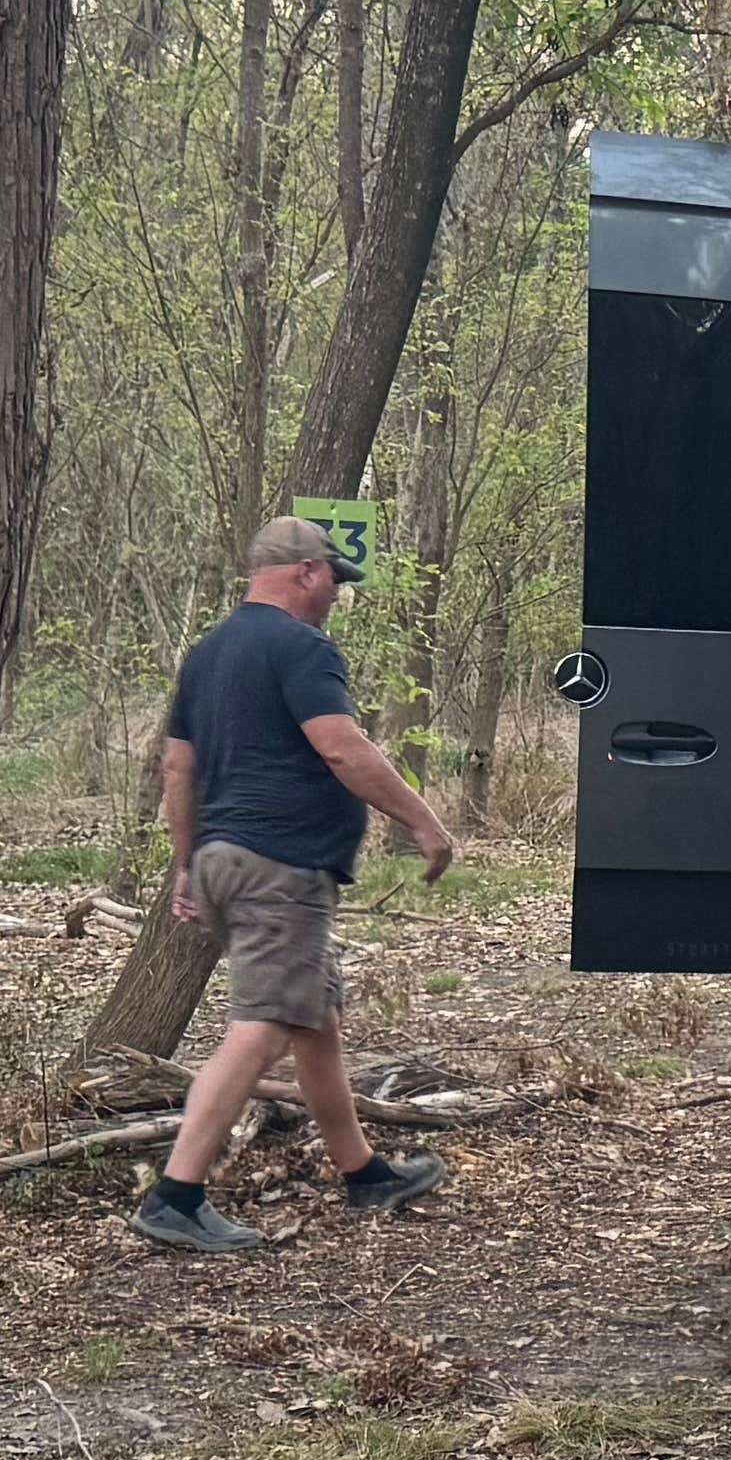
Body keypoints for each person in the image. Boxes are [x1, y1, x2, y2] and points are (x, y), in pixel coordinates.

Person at [135, 514, 459, 1256]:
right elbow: (341, 746)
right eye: (334, 582)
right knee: (266, 1024)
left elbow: (178, 770)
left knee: (315, 1021)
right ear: (308, 571)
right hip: (278, 865)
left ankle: (365, 1175)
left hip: (228, 857)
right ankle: (176, 1196)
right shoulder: (300, 646)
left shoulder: (208, 653)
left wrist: (190, 861)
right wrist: (422, 820)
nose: (336, 597)